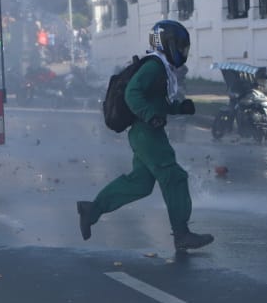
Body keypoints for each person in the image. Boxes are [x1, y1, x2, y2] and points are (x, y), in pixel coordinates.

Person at [76, 20, 213, 252]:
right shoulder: (154, 67)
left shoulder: (161, 68)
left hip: (144, 132)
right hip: (147, 132)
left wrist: (179, 109)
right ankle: (182, 234)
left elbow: (156, 101)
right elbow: (133, 93)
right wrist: (150, 116)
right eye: (179, 46)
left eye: (184, 48)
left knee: (140, 183)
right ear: (166, 44)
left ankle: (92, 210)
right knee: (174, 176)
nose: (183, 52)